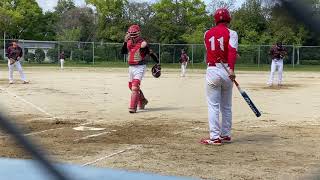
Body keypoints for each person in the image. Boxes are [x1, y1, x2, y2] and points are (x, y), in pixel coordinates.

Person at [201, 8, 238, 145]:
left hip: (212, 69)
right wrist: (232, 69)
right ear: (229, 19)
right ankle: (226, 134)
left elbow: (211, 49)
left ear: (215, 19)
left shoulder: (207, 33)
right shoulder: (232, 33)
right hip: (227, 70)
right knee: (226, 106)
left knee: (213, 106)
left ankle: (215, 137)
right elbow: (232, 52)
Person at [121, 25, 160, 113]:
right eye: (131, 34)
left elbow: (150, 53)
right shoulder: (128, 42)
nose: (132, 36)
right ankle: (142, 100)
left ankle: (133, 107)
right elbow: (123, 52)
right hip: (131, 67)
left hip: (140, 67)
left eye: (134, 34)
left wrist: (157, 62)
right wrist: (124, 42)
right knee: (131, 86)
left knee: (135, 87)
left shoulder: (143, 43)